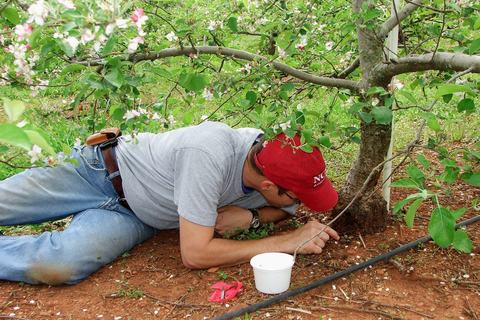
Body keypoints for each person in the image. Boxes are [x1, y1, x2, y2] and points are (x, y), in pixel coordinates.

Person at [0, 121, 339, 285]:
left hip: (137, 217)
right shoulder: (208, 151)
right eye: (298, 195)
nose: (301, 206)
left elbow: (285, 208)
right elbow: (195, 254)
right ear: (268, 184)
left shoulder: (271, 170)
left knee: (59, 265)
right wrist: (286, 243)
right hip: (97, 171)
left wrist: (250, 217)